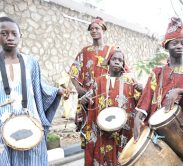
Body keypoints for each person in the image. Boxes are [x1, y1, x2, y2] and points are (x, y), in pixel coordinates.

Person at [0, 16, 69, 166]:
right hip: (2, 127)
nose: (9, 37)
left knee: (34, 160)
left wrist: (57, 91)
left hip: (31, 123)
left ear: (20, 36)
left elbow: (39, 87)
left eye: (14, 33)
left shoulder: (31, 62)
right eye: (4, 33)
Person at [133, 17, 183, 165]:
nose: (179, 46)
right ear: (166, 46)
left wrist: (180, 91)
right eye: (175, 43)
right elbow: (146, 98)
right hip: (159, 130)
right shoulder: (157, 72)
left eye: (182, 42)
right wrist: (138, 117)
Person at [83, 49, 142, 165]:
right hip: (104, 131)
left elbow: (141, 102)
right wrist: (84, 100)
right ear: (109, 61)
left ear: (123, 64)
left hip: (124, 130)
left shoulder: (130, 81)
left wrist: (142, 89)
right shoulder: (99, 81)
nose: (117, 62)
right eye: (114, 59)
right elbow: (88, 99)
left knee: (124, 158)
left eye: (120, 60)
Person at [69, 17, 115, 152]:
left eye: (97, 28)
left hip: (106, 98)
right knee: (89, 136)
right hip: (87, 100)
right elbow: (73, 72)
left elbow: (124, 72)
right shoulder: (85, 51)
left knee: (107, 132)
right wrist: (79, 89)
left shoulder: (111, 51)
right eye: (91, 29)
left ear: (103, 30)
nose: (93, 31)